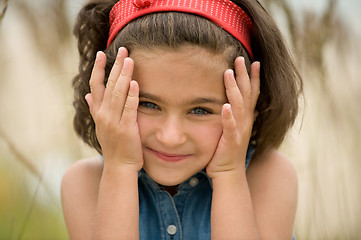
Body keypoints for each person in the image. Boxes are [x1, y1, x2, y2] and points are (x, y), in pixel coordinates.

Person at [61, 0, 302, 239]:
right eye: (148, 104)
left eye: (199, 110)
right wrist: (119, 168)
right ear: (106, 96)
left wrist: (230, 173)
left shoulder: (270, 176)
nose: (171, 137)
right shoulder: (84, 184)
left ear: (249, 104)